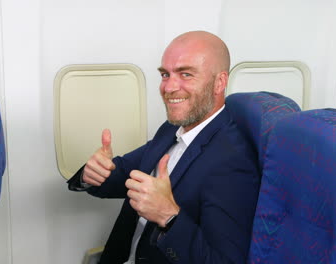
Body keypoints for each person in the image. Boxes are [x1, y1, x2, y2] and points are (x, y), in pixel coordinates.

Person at [68, 31, 260, 264]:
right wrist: (93, 174)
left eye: (186, 74)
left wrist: (168, 216)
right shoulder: (171, 129)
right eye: (165, 74)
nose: (169, 87)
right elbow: (123, 173)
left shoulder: (234, 161)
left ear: (219, 82)